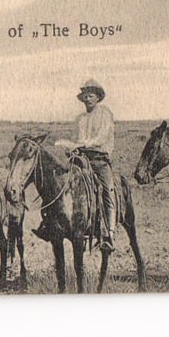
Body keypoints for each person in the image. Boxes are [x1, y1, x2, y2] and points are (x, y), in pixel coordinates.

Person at [54, 79, 117, 252]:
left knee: (107, 190)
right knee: (64, 181)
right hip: (83, 158)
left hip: (99, 159)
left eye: (91, 95)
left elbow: (102, 137)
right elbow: (80, 139)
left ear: (97, 97)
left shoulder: (105, 113)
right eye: (86, 96)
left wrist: (82, 145)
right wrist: (72, 147)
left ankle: (109, 233)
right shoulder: (81, 118)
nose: (88, 98)